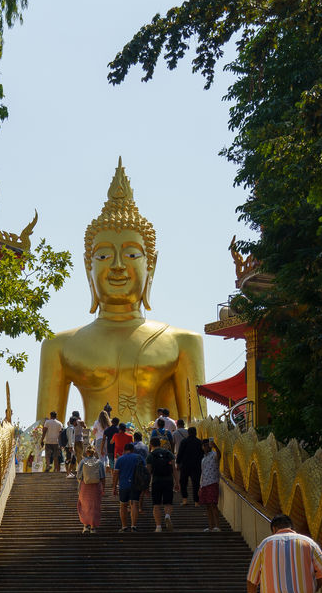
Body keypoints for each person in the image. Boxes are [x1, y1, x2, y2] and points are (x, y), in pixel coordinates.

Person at [36, 160, 206, 426]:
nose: (116, 265)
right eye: (103, 255)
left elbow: (198, 425)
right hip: (91, 453)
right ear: (87, 267)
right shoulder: (58, 347)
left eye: (130, 254)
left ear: (151, 265)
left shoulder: (183, 343)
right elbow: (42, 432)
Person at [112, 441, 144, 531]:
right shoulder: (139, 458)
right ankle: (134, 526)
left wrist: (114, 487)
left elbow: (116, 474)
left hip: (123, 485)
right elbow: (145, 471)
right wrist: (145, 486)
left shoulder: (120, 459)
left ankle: (124, 526)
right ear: (132, 450)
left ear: (124, 450)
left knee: (123, 506)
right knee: (134, 505)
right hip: (136, 485)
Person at [148, 433, 176, 532]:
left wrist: (147, 486)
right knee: (168, 503)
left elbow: (148, 472)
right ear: (160, 443)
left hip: (156, 481)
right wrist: (177, 482)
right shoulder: (168, 453)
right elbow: (174, 469)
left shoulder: (151, 455)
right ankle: (167, 515)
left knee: (156, 505)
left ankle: (158, 527)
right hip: (168, 480)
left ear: (151, 444)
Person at [76, 443, 106, 533]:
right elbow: (102, 477)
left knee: (84, 506)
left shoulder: (82, 462)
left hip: (85, 487)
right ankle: (93, 527)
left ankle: (85, 526)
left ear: (86, 452)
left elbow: (78, 476)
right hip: (96, 487)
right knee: (94, 506)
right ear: (94, 452)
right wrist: (103, 488)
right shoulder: (99, 462)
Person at [177, 425, 203, 506]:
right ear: (195, 433)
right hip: (196, 466)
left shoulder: (184, 441)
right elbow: (202, 454)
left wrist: (178, 463)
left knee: (183, 482)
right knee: (196, 483)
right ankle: (196, 502)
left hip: (185, 466)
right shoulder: (199, 442)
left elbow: (180, 453)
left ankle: (185, 500)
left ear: (188, 433)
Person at [199, 439, 221, 531]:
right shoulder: (203, 458)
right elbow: (202, 472)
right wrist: (200, 486)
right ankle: (211, 526)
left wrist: (215, 446)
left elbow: (219, 455)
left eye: (207, 445)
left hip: (213, 482)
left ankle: (217, 526)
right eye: (204, 446)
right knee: (207, 505)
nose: (206, 447)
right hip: (204, 484)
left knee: (213, 504)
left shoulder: (214, 455)